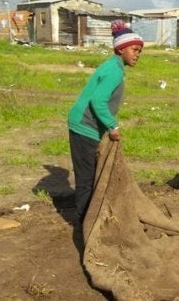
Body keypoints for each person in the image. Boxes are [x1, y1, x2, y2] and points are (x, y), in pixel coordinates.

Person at [67, 19, 144, 222]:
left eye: (139, 51)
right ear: (121, 49)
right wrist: (112, 126)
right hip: (85, 127)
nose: (137, 54)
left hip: (84, 125)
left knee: (91, 176)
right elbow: (98, 101)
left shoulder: (113, 66)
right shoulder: (115, 71)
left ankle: (90, 218)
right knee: (87, 179)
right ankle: (84, 224)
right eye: (134, 50)